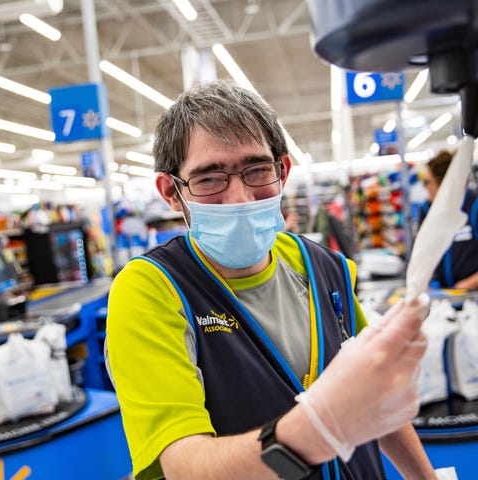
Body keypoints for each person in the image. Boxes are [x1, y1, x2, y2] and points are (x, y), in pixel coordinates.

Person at [106, 80, 436, 480]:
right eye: (209, 179)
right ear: (171, 192)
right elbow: (184, 466)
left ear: (283, 172)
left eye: (257, 170)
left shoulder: (324, 266)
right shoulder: (151, 290)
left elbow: (378, 398)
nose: (241, 197)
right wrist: (316, 428)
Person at [421, 150, 478, 290]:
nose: (424, 187)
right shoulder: (427, 210)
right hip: (440, 297)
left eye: (428, 182)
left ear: (444, 184)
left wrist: (468, 284)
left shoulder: (474, 207)